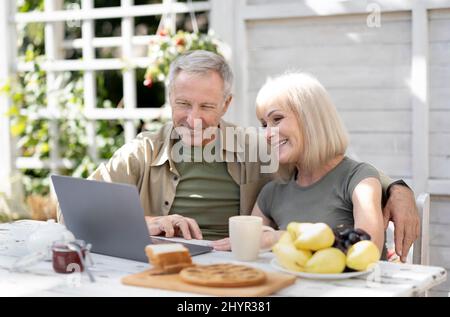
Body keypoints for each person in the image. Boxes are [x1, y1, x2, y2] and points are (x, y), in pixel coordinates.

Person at [62, 50, 419, 262]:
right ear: (171, 99)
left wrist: (397, 189)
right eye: (183, 104)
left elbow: (331, 161)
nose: (194, 118)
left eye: (206, 106)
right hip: (160, 266)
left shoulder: (258, 146)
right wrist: (148, 221)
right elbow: (74, 211)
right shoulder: (143, 150)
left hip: (233, 265)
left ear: (227, 104)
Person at [212, 72, 385, 254]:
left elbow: (368, 249)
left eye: (277, 119)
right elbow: (248, 249)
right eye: (264, 125)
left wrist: (285, 238)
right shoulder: (272, 193)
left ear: (310, 118)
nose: (268, 135)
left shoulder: (359, 180)